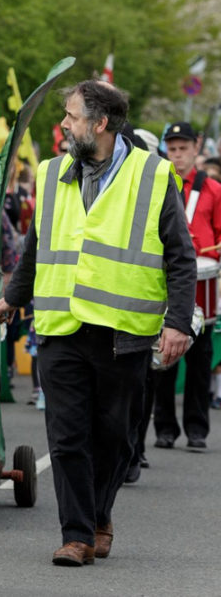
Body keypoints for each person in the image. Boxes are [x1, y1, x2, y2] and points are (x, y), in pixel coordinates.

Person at [0, 80, 195, 566]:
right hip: (60, 325)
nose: (63, 124)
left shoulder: (153, 174)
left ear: (100, 123)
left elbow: (180, 256)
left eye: (72, 116)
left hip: (124, 331)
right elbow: (37, 246)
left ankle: (100, 514)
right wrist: (11, 299)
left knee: (116, 437)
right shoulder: (51, 173)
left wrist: (178, 322)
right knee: (67, 436)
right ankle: (77, 535)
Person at [152, 121, 217, 451]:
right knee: (163, 357)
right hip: (166, 283)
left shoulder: (213, 190)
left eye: (183, 149)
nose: (177, 155)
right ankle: (165, 428)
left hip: (203, 287)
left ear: (196, 148)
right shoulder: (158, 184)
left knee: (199, 363)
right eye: (172, 149)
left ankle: (197, 428)